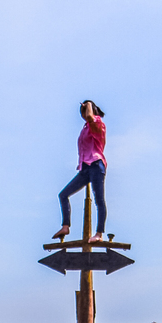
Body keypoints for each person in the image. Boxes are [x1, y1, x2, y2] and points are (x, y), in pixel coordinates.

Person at [52, 101, 107, 244]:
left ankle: (99, 233)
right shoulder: (85, 128)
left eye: (84, 111)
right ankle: (65, 226)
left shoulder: (97, 124)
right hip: (85, 168)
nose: (83, 115)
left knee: (99, 200)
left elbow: (90, 116)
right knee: (63, 195)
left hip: (96, 165)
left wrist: (88, 104)